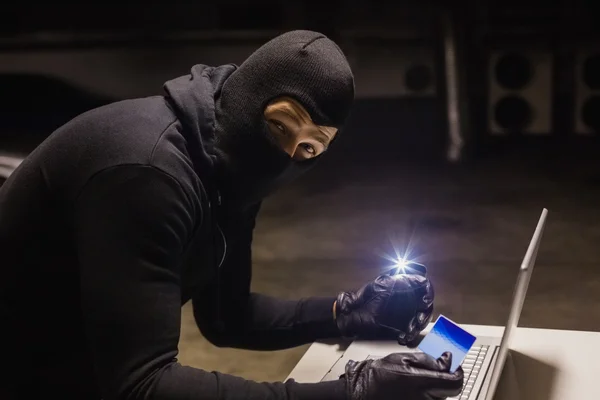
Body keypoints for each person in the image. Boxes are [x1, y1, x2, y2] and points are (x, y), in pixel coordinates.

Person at [0, 30, 463, 399]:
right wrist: (350, 392)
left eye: (309, 147)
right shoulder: (148, 174)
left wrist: (345, 312)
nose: (286, 154)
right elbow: (141, 384)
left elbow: (226, 318)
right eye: (280, 125)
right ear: (245, 99)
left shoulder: (228, 167)